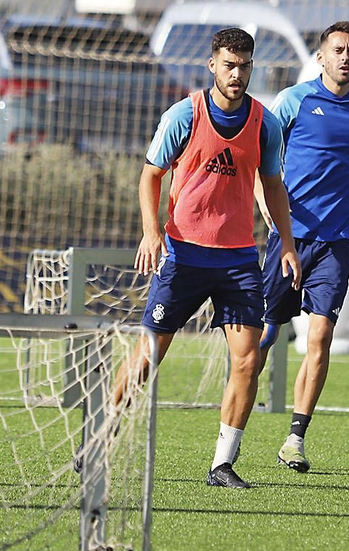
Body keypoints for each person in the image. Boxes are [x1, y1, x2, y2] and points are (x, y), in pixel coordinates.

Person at [127, 27, 300, 490]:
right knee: (148, 356)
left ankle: (222, 464)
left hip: (239, 262)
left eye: (245, 65)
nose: (237, 74)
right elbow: (150, 176)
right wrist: (151, 232)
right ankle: (98, 438)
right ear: (212, 65)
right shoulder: (184, 114)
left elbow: (273, 186)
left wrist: (286, 240)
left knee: (247, 360)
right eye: (229, 65)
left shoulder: (265, 123)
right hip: (184, 256)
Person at [259, 21, 349, 474]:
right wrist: (269, 213)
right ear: (322, 57)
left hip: (335, 244)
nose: (346, 57)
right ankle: (236, 405)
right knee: (267, 333)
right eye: (338, 50)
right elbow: (264, 161)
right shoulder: (294, 101)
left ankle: (295, 439)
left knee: (321, 336)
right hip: (289, 239)